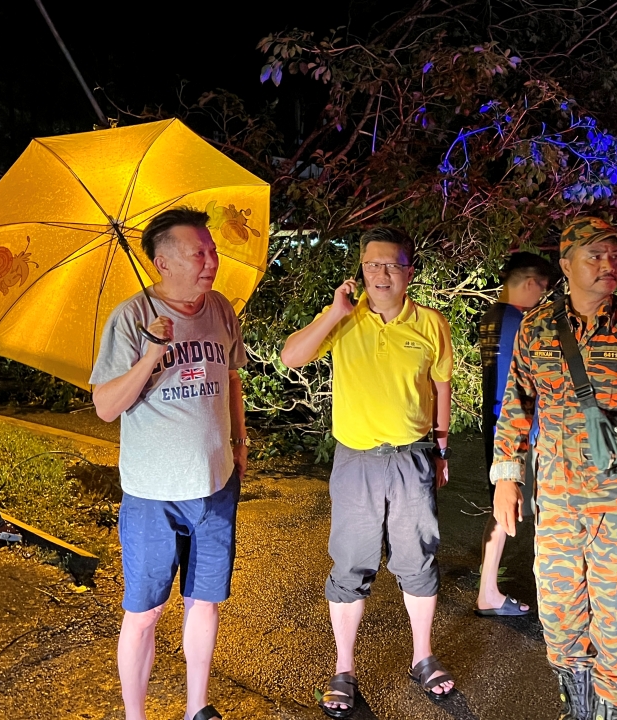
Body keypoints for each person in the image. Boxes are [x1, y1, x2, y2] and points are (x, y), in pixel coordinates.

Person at [491, 217, 617, 720]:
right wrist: (506, 477)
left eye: (614, 255)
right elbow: (515, 405)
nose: (609, 264)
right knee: (559, 616)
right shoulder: (537, 326)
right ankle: (579, 707)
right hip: (558, 499)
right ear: (566, 266)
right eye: (595, 255)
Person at [280, 227, 456, 718]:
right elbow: (291, 356)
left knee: (417, 558)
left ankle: (422, 657)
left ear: (409, 273)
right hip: (355, 458)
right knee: (351, 562)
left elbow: (441, 384)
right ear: (361, 269)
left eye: (391, 265)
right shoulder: (343, 318)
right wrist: (335, 312)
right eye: (372, 264)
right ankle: (344, 667)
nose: (380, 273)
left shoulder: (431, 324)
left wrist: (441, 446)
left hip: (411, 454)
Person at [91, 207, 248, 720]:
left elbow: (231, 379)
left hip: (215, 483)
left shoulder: (221, 308)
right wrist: (152, 350)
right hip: (152, 494)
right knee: (144, 613)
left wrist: (240, 441)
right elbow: (107, 406)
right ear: (162, 262)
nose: (211, 261)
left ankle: (196, 707)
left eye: (212, 250)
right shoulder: (131, 318)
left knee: (205, 601)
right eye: (197, 252)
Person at [476, 251, 554, 617]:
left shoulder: (491, 318)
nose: (543, 295)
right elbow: (525, 385)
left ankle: (488, 589)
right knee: (545, 511)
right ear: (529, 283)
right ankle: (554, 592)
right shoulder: (522, 322)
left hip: (494, 425)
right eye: (542, 287)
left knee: (502, 508)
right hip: (521, 432)